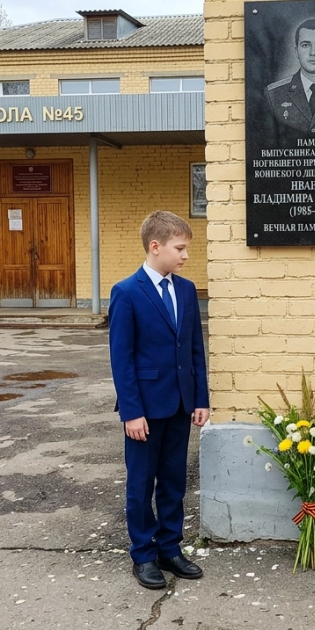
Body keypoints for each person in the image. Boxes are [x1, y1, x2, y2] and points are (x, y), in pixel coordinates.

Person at [108, 211, 210, 590]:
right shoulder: (127, 292)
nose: (185, 256)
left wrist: (201, 398)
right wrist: (131, 412)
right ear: (156, 246)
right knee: (142, 483)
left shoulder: (185, 289)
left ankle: (170, 547)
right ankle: (143, 554)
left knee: (173, 481)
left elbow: (195, 349)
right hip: (145, 411)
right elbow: (122, 358)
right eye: (179, 248)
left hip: (181, 404)